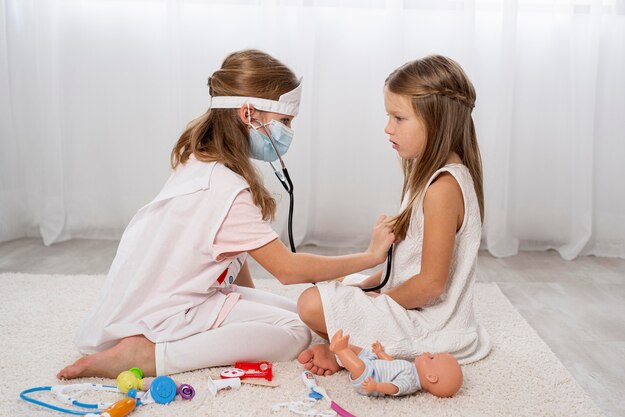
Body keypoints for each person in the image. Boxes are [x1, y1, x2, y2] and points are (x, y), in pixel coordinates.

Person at [57, 49, 394, 380]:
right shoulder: (226, 188)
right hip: (166, 312)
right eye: (285, 121)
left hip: (158, 301)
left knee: (295, 314)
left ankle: (157, 342)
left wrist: (244, 303)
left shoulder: (201, 162)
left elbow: (229, 251)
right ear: (248, 114)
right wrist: (369, 256)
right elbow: (288, 270)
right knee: (296, 332)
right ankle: (152, 356)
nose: (289, 131)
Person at [297, 55, 491, 376]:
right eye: (389, 116)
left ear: (438, 121)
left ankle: (354, 353)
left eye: (399, 118)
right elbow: (406, 267)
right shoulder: (429, 176)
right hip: (412, 304)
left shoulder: (443, 188)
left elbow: (431, 284)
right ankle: (350, 348)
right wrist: (367, 286)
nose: (388, 128)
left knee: (310, 304)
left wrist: (377, 300)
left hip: (432, 323)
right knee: (341, 284)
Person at [329, 329, 462, 397]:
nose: (428, 353)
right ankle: (338, 348)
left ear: (431, 377)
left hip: (370, 379)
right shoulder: (411, 368)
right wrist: (380, 353)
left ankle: (340, 350)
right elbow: (393, 363)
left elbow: (393, 388)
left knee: (359, 367)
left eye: (432, 358)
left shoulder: (410, 383)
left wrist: (376, 387)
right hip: (375, 364)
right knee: (363, 352)